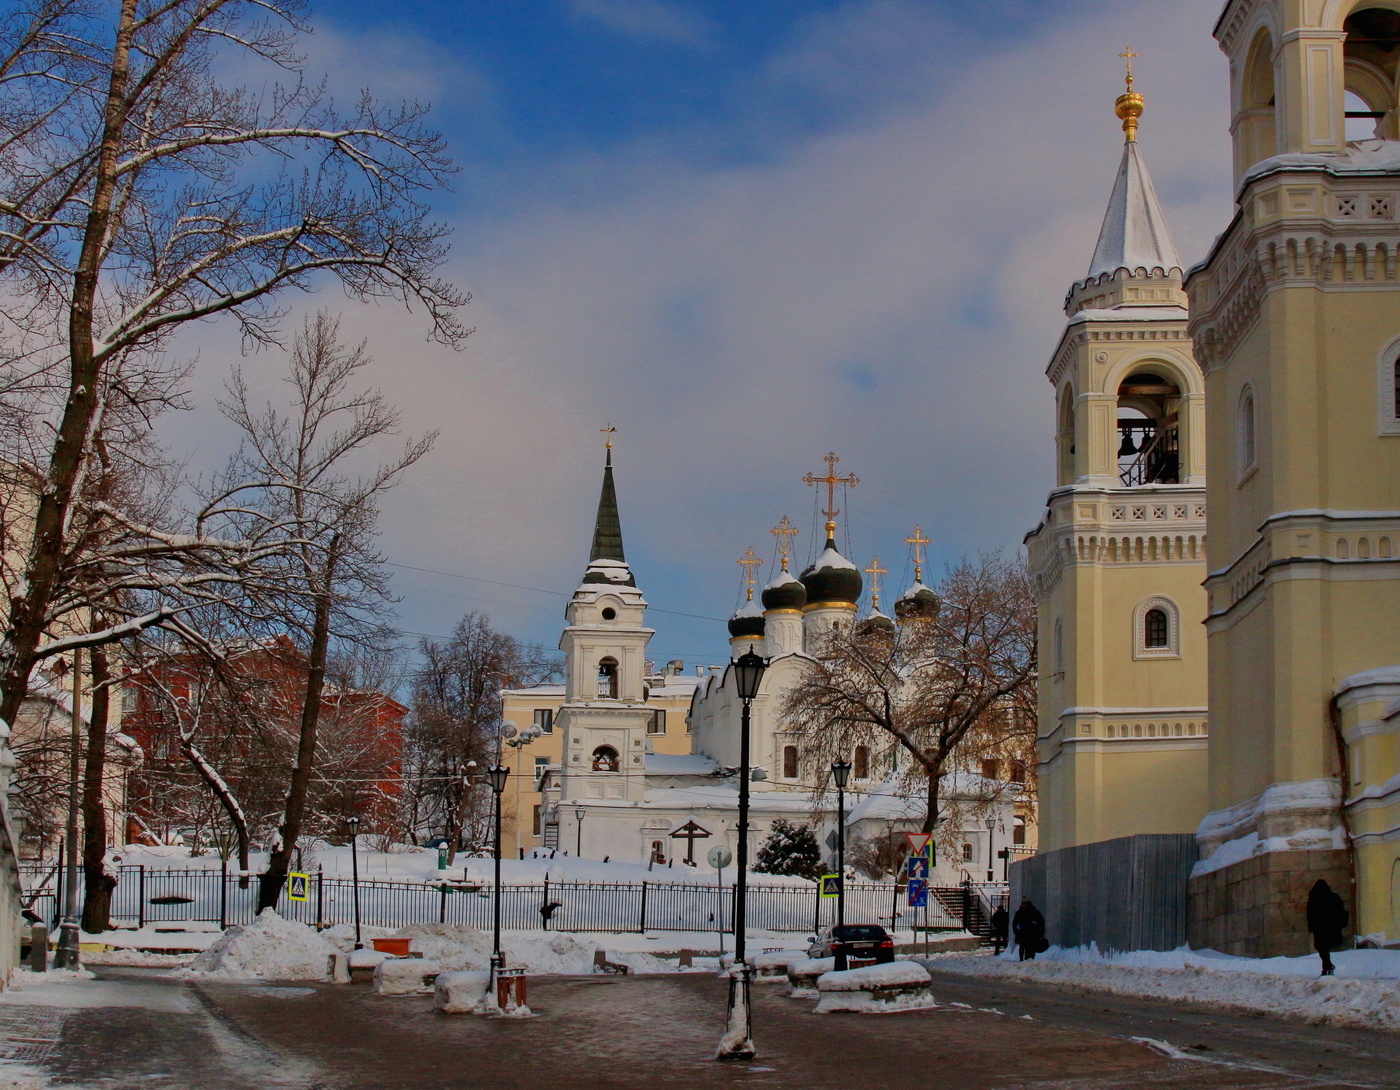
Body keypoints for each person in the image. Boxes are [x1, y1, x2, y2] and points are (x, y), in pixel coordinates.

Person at [1306, 878, 1348, 977]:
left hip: (1320, 928)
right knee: (1324, 948)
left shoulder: (1314, 898)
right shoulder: (1333, 897)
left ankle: (1327, 968)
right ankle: (1327, 967)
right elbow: (1341, 912)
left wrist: (1311, 927)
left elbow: (1310, 914)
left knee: (1322, 948)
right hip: (1331, 927)